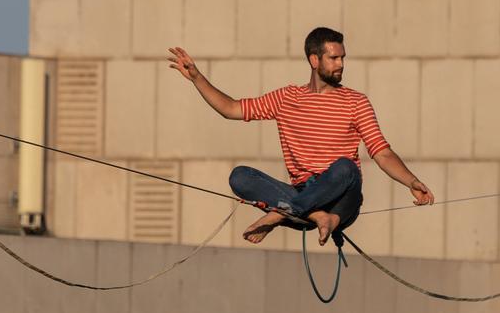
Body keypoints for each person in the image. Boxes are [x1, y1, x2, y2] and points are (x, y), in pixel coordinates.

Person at [166, 26, 434, 247]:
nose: (341, 64)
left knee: (346, 168)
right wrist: (197, 78)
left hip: (342, 199)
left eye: (343, 57)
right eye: (334, 58)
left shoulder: (356, 102)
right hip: (303, 193)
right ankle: (316, 216)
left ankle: (283, 214)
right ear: (314, 60)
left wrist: (411, 181)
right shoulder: (287, 98)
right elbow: (231, 109)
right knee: (240, 176)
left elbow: (382, 152)